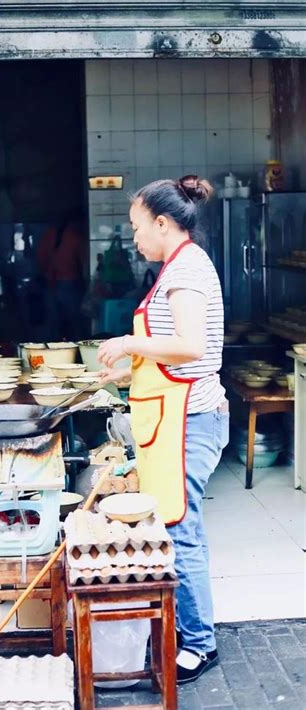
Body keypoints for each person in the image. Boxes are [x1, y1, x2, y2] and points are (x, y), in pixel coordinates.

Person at [98, 175, 229, 685]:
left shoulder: (186, 272)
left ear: (162, 222)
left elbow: (193, 347)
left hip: (190, 421)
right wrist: (129, 373)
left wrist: (130, 343)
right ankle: (188, 632)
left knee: (180, 528)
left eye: (137, 227)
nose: (134, 238)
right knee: (178, 525)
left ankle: (199, 644)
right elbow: (174, 354)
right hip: (175, 418)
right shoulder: (178, 268)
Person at [37, 213, 88, 341]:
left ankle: (53, 351)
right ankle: (75, 350)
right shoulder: (75, 236)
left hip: (51, 283)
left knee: (53, 323)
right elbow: (84, 262)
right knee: (74, 322)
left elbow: (40, 259)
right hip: (70, 283)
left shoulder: (49, 235)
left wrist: (47, 273)